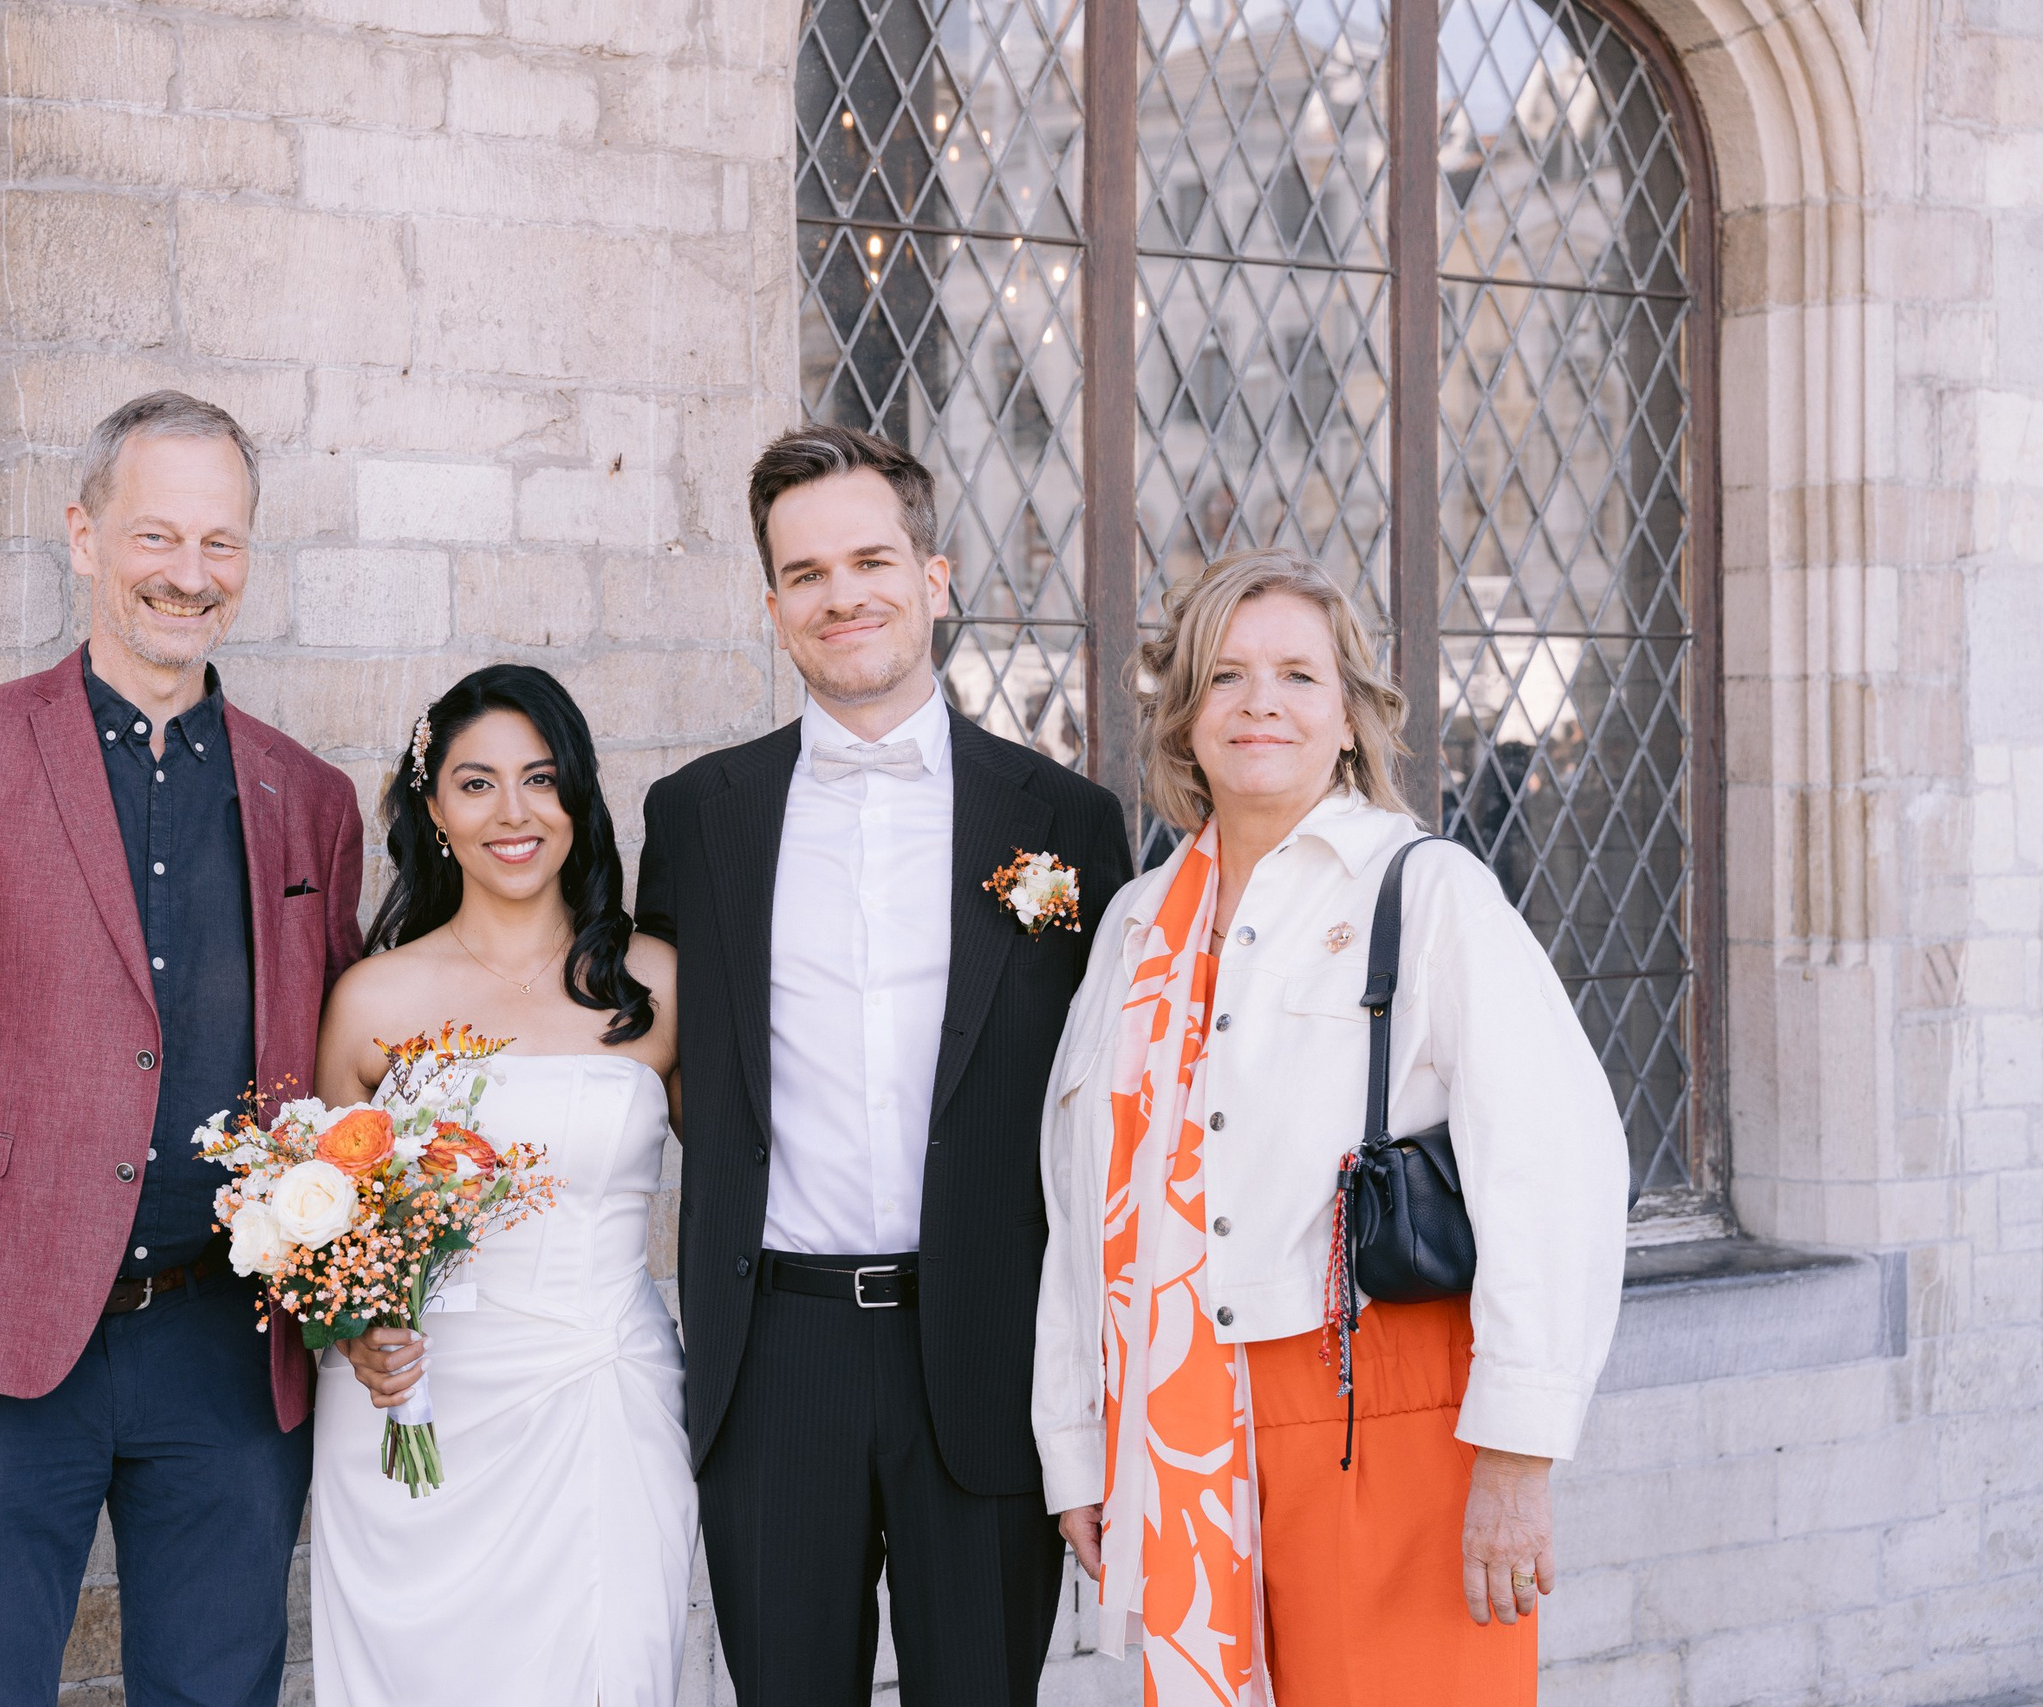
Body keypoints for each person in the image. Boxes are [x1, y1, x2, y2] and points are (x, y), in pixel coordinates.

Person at [0, 392, 365, 1706]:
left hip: (228, 1350)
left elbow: (337, 1073)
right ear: (83, 535)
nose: (188, 573)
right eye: (156, 534)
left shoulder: (310, 797)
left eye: (220, 542)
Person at [1031, 548, 1630, 1706]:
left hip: (1382, 1404)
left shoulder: (1427, 891)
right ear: (1183, 716)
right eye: (1224, 675)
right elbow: (1080, 1201)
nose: (1259, 702)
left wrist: (1516, 1456)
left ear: (1350, 716)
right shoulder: (1135, 925)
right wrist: (1079, 1446)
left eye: (1298, 676)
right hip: (1176, 1419)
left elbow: (1554, 1170)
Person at [633, 425, 1134, 1707]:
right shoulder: (696, 816)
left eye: (869, 561)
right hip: (775, 1355)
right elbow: (668, 1060)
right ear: (772, 607)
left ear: (933, 577)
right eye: (805, 574)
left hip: (986, 1346)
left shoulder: (1065, 821)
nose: (840, 595)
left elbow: (1110, 1094)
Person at [318, 664, 695, 1705]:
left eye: (540, 778)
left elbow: (749, 1187)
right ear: (433, 809)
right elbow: (327, 1236)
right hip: (416, 1407)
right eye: (476, 783)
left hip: (599, 1399)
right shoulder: (371, 1000)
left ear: (578, 794)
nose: (513, 813)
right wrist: (357, 1334)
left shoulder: (657, 984)